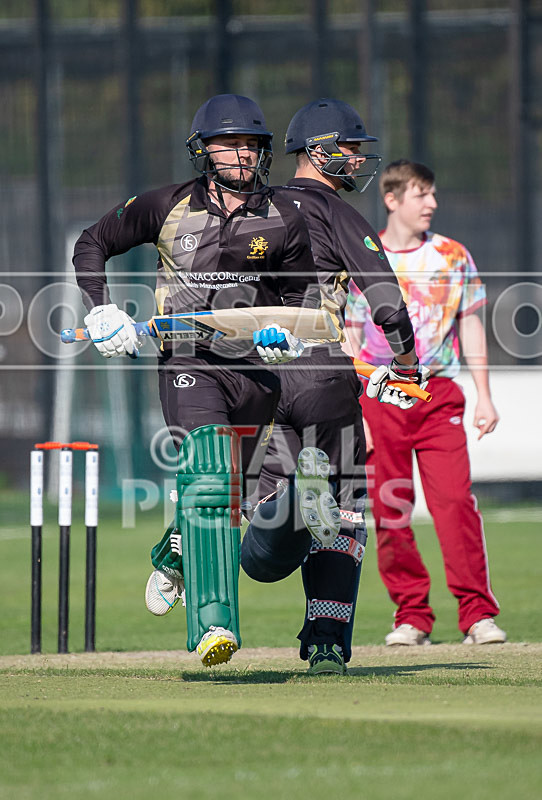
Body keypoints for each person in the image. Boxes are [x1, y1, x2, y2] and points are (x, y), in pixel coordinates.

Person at [72, 93, 327, 667]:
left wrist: (288, 335)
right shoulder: (166, 205)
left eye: (252, 144)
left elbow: (301, 296)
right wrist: (101, 310)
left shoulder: (285, 217)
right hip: (188, 363)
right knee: (209, 472)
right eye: (229, 143)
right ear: (202, 150)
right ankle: (215, 625)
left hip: (257, 375)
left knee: (225, 499)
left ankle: (173, 552)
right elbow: (93, 242)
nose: (242, 154)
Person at [241, 100, 425, 675]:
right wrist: (407, 364)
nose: (355, 159)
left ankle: (295, 495)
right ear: (318, 151)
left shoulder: (249, 206)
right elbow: (385, 295)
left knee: (265, 529)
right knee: (343, 515)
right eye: (348, 149)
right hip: (323, 369)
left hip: (256, 374)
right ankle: (326, 641)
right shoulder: (335, 211)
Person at [344, 159, 506, 646]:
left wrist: (485, 396)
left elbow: (471, 324)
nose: (432, 203)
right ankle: (411, 615)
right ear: (392, 200)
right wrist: (356, 406)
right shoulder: (364, 256)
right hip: (381, 396)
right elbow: (350, 335)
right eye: (420, 194)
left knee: (455, 502)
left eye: (432, 194)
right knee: (390, 507)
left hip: (438, 394)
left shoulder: (454, 256)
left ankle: (477, 615)